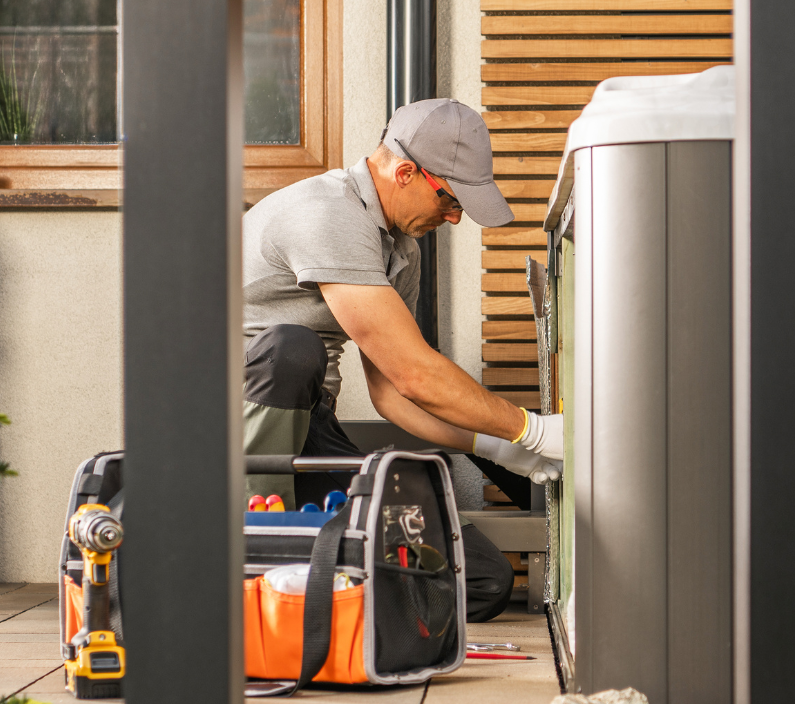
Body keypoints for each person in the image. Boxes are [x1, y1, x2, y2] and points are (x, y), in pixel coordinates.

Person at [242, 98, 565, 623]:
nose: (456, 217)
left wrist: (500, 448)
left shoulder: (400, 252)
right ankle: (252, 554)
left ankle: (318, 587)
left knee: (479, 579)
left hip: (305, 428)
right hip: (236, 422)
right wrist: (530, 430)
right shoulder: (328, 215)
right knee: (292, 348)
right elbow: (418, 373)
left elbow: (394, 391)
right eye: (450, 200)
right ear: (405, 171)